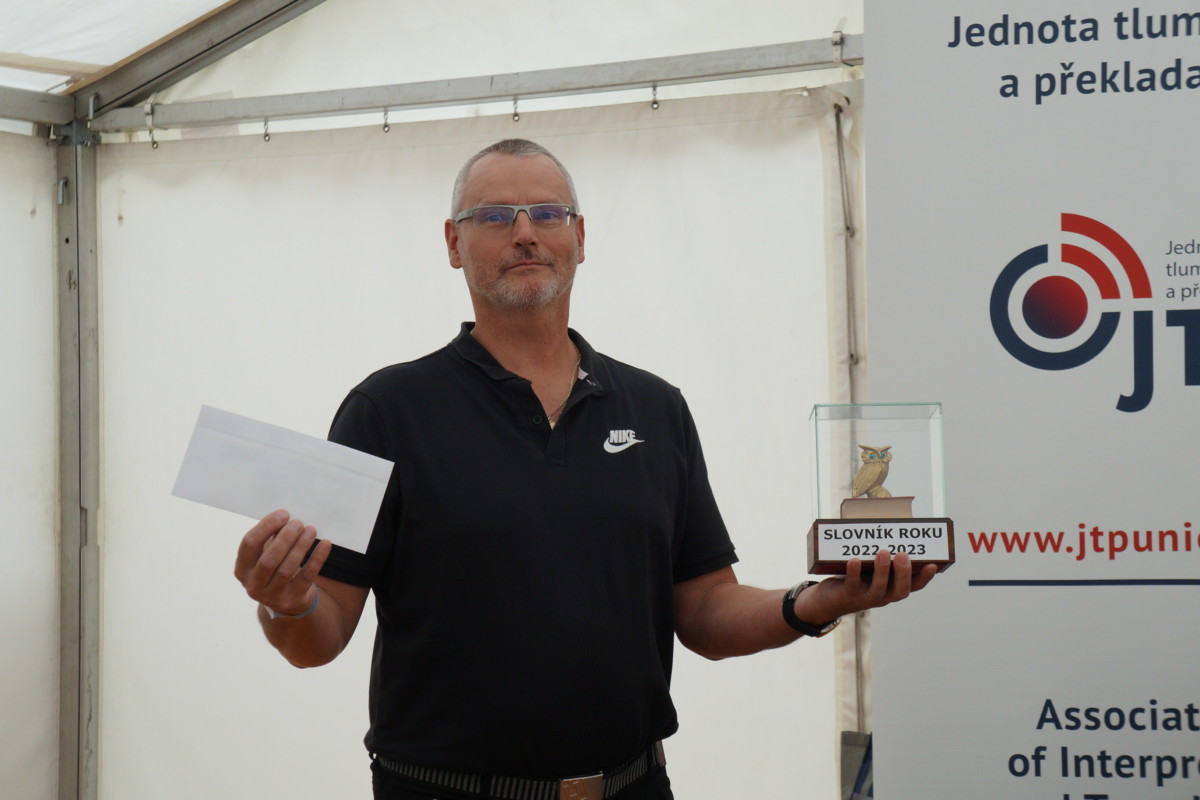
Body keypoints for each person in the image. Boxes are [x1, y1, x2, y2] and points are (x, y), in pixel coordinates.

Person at [233, 138, 937, 800]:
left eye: (547, 213)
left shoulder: (656, 407)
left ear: (580, 236)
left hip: (633, 785)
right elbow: (320, 634)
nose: (525, 233)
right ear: (453, 243)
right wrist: (285, 603)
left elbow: (704, 609)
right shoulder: (385, 411)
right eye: (494, 216)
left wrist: (814, 603)